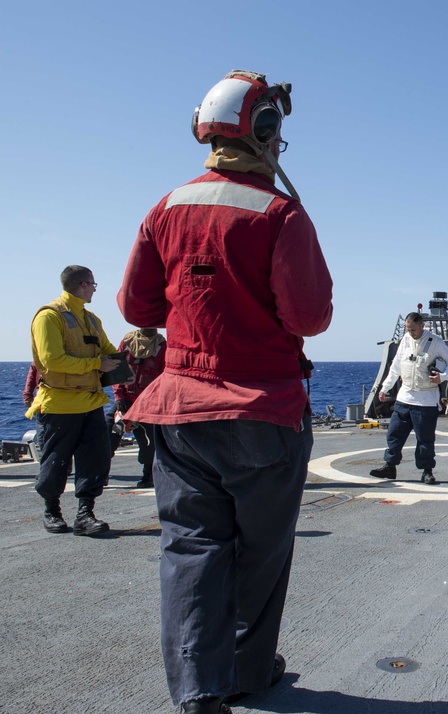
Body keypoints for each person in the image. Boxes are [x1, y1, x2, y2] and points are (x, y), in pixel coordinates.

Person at [117, 70, 333, 714]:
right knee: (261, 554)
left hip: (179, 414)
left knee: (189, 550)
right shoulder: (280, 212)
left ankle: (197, 691)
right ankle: (246, 669)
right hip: (262, 413)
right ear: (263, 130)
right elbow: (308, 318)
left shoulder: (166, 206)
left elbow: (136, 306)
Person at [26, 265, 120, 535]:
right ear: (82, 284)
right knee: (55, 462)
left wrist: (126, 369)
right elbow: (51, 360)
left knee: (95, 461)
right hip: (59, 404)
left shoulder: (91, 319)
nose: (93, 289)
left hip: (90, 403)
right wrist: (96, 365)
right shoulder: (49, 317)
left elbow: (107, 350)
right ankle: (51, 510)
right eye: (93, 284)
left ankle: (85, 514)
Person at [370, 312, 448, 484]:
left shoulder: (436, 342)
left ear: (422, 326)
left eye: (413, 330)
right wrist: (385, 388)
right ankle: (390, 466)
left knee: (425, 439)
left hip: (426, 400)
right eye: (408, 329)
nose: (410, 333)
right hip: (404, 398)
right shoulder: (405, 340)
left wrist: (443, 377)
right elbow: (396, 366)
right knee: (394, 434)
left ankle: (427, 471)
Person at [106, 327, 166, 488]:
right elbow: (117, 368)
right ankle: (101, 473)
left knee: (149, 442)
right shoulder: (127, 342)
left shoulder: (162, 346)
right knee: (107, 436)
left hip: (147, 404)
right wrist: (119, 397)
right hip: (125, 401)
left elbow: (163, 378)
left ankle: (148, 474)